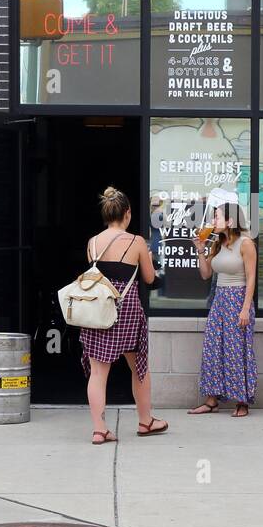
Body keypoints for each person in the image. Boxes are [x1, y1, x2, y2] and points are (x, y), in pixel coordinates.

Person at [81, 187, 167, 444]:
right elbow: (150, 279)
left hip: (99, 310)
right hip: (127, 310)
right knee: (138, 367)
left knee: (98, 372)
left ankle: (99, 430)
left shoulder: (92, 243)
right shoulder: (137, 242)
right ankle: (145, 421)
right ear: (127, 213)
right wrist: (149, 260)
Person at [188, 201, 258, 417]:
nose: (213, 221)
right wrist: (200, 251)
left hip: (238, 299)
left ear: (230, 221)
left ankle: (242, 401)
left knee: (236, 351)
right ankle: (211, 401)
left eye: (216, 217)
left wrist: (245, 308)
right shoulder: (217, 243)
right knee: (212, 349)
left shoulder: (246, 244)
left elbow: (251, 277)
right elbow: (206, 274)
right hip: (219, 300)